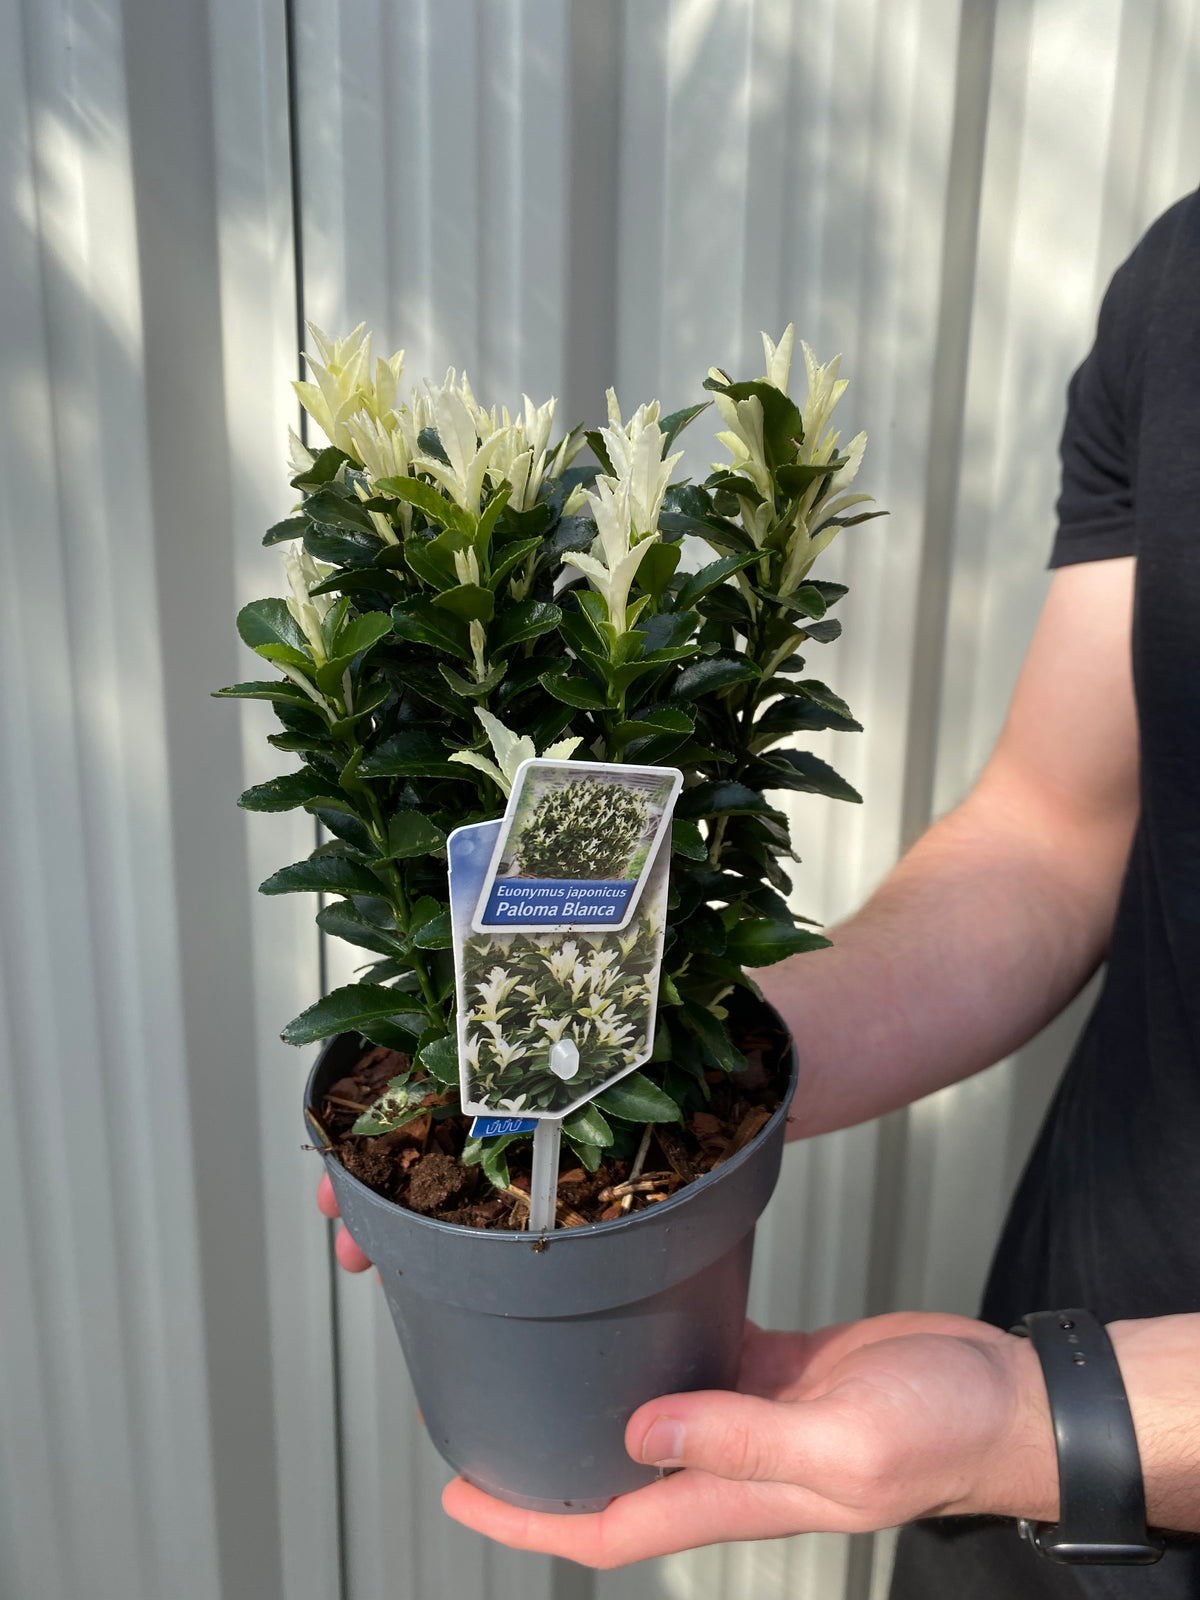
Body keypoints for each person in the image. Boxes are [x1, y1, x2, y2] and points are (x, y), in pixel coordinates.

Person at [317, 190, 1200, 1592]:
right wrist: (607, 1041)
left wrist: (1046, 1421)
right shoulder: (1184, 287)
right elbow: (1055, 829)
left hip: (1077, 1419)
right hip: (1064, 1405)